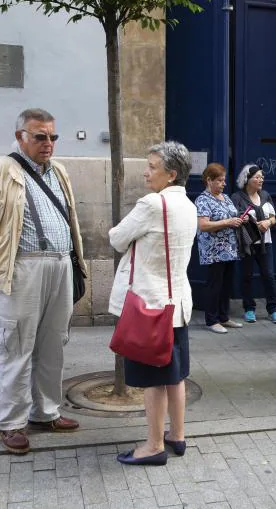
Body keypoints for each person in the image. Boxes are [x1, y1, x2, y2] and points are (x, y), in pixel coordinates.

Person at [0, 108, 86, 455]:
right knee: (17, 346)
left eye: (52, 137)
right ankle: (12, 422)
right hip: (23, 266)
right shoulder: (1, 170)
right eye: (39, 136)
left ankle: (46, 412)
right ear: (21, 136)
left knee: (53, 344)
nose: (48, 143)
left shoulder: (59, 171)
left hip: (60, 265)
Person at [110, 142, 197, 466]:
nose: (146, 172)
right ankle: (178, 435)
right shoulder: (188, 205)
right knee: (175, 375)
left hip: (150, 308)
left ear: (171, 174)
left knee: (153, 380)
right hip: (178, 305)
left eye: (152, 166)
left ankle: (152, 445)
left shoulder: (152, 204)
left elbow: (117, 238)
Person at [231, 164, 276, 324]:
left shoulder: (266, 195)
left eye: (262, 177)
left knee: (269, 275)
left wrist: (268, 222)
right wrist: (243, 219)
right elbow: (234, 217)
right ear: (247, 179)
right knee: (246, 276)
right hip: (247, 243)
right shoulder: (237, 197)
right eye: (257, 177)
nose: (261, 179)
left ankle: (273, 309)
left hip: (265, 243)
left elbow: (274, 217)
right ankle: (249, 308)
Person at [196, 163, 244, 334]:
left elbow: (232, 216)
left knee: (226, 284)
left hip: (230, 248)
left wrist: (239, 220)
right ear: (209, 180)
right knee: (214, 285)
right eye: (220, 180)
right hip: (214, 250)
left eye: (224, 180)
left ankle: (224, 317)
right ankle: (211, 320)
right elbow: (203, 225)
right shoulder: (203, 200)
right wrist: (228, 222)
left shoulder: (226, 197)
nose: (224, 183)